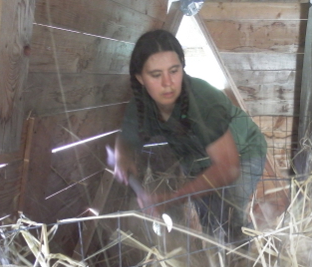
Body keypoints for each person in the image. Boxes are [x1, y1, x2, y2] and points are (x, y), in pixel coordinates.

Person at [113, 29, 267, 243]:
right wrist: (122, 156)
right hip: (198, 161)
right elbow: (125, 138)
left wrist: (169, 199)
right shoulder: (141, 104)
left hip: (242, 154)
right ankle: (220, 260)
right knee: (210, 223)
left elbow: (228, 168)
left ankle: (242, 260)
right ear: (140, 78)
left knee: (227, 218)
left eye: (174, 71)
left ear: (183, 69)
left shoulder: (202, 101)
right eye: (156, 75)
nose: (168, 83)